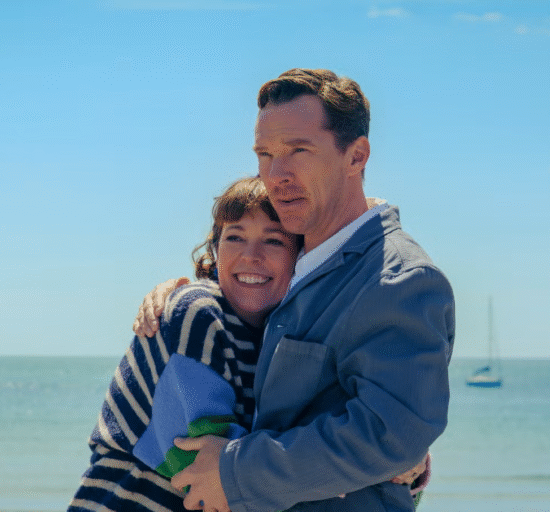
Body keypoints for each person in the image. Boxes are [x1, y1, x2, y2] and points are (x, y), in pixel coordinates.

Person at [133, 69, 454, 512]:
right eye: (264, 154)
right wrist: (184, 289)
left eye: (298, 150)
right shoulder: (297, 253)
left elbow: (390, 435)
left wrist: (234, 471)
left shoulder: (398, 279)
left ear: (356, 156)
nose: (275, 174)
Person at [68, 177, 430, 512]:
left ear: (301, 259)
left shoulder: (286, 343)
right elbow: (205, 475)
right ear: (215, 249)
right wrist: (363, 464)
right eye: (234, 237)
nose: (250, 256)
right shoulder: (197, 313)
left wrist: (398, 452)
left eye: (274, 240)